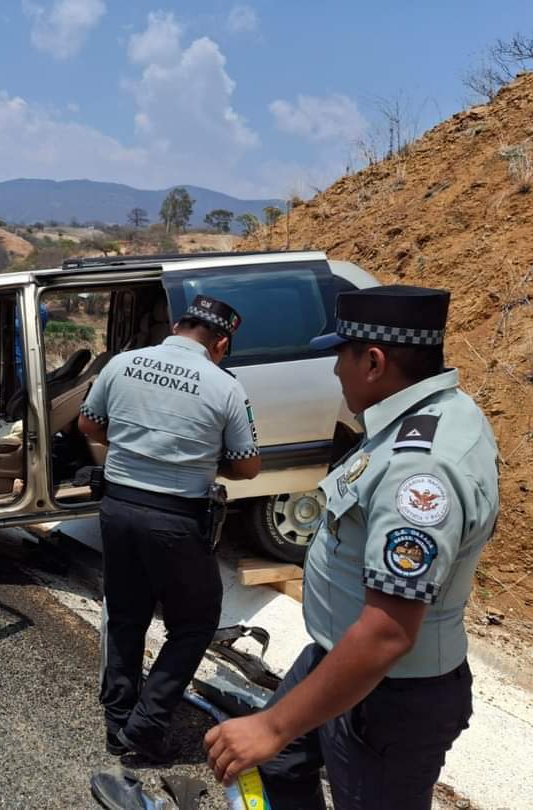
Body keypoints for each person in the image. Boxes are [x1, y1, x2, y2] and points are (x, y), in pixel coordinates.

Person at [204, 285, 500, 810]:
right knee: (279, 764)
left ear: (373, 360)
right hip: (337, 656)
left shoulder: (420, 470)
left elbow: (387, 633)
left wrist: (272, 725)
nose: (335, 370)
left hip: (387, 692)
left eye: (339, 355)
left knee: (286, 753)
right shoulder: (421, 413)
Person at [78, 294, 261, 763]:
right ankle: (146, 724)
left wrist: (136, 445)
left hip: (117, 508)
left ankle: (117, 721)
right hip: (176, 518)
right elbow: (247, 468)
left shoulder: (122, 364)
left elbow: (89, 426)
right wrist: (196, 456)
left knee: (126, 614)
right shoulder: (225, 387)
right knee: (195, 622)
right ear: (220, 342)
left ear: (178, 326)